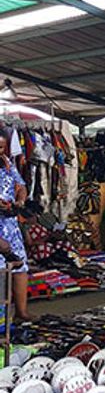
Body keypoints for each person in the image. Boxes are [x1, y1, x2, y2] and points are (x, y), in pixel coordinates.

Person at [0, 130, 30, 320]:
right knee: (1, 269)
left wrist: (20, 200)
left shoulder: (8, 164)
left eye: (2, 146)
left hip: (9, 222)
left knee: (20, 266)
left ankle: (21, 312)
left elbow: (22, 187)